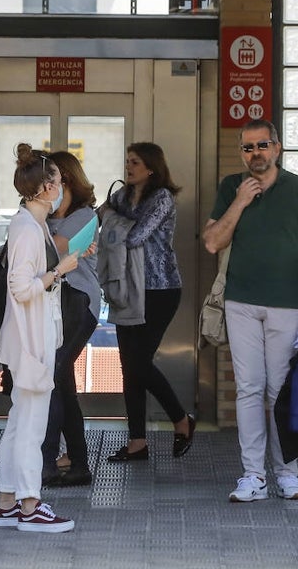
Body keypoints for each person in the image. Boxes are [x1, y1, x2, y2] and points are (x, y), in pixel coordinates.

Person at [202, 119, 298, 503]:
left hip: (287, 306)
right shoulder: (230, 188)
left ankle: (288, 474)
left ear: (278, 147)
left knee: (279, 390)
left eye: (262, 145)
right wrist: (240, 201)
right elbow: (211, 242)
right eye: (248, 148)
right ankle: (253, 475)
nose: (255, 154)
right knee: (249, 389)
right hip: (240, 302)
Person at [0, 144, 90, 533]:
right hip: (31, 341)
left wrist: (62, 267)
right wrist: (59, 270)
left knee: (20, 422)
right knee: (32, 426)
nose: (62, 188)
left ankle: (7, 502)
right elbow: (22, 287)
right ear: (47, 189)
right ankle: (30, 506)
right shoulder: (29, 230)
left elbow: (31, 281)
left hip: (27, 338)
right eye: (59, 182)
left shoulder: (27, 226)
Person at [102, 142, 195, 463]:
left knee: (139, 363)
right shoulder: (122, 196)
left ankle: (181, 419)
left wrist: (113, 219)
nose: (129, 167)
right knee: (129, 367)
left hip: (160, 290)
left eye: (136, 162)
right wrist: (111, 217)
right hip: (127, 287)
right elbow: (102, 218)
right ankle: (137, 442)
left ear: (151, 168)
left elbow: (135, 236)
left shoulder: (161, 198)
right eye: (127, 161)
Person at [40, 151, 101, 488]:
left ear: (70, 181)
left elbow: (53, 251)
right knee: (62, 384)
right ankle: (78, 464)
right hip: (51, 309)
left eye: (57, 179)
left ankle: (47, 463)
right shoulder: (44, 216)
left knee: (53, 377)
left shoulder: (85, 217)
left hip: (79, 306)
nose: (51, 186)